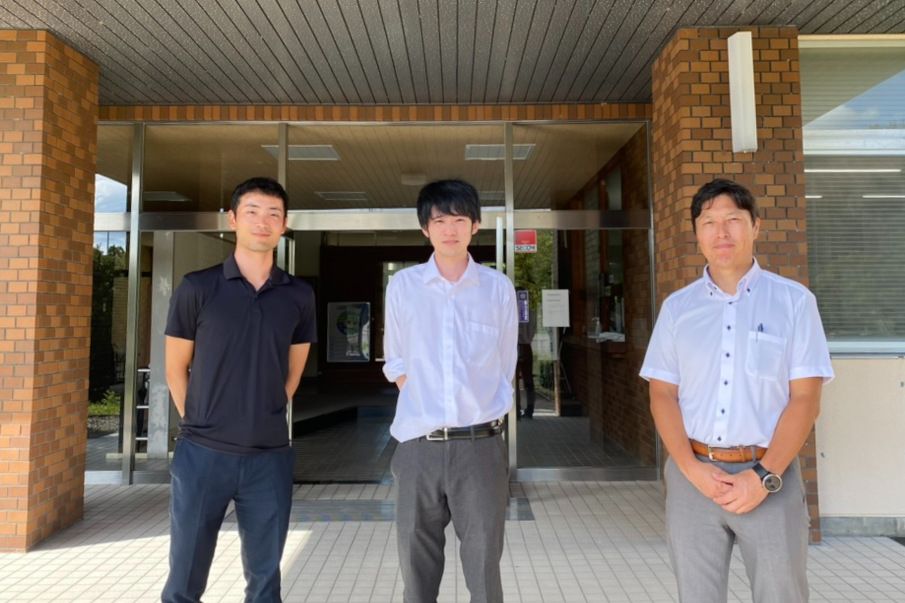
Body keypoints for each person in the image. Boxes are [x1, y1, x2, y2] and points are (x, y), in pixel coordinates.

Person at [640, 178, 833, 603]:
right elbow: (662, 394)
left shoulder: (794, 302)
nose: (721, 232)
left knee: (781, 594)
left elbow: (806, 399)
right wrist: (689, 468)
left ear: (756, 226)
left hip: (769, 474)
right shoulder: (677, 308)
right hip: (693, 475)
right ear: (696, 233)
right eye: (708, 222)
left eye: (732, 220)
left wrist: (763, 476)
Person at [161, 177, 316, 603]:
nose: (262, 222)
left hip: (269, 457)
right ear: (232, 219)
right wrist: (199, 423)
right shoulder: (197, 287)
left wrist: (265, 413)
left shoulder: (299, 295)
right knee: (184, 580)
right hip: (202, 455)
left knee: (265, 583)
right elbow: (175, 368)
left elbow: (293, 372)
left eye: (273, 214)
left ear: (284, 224)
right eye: (252, 212)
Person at [382, 179, 518, 603]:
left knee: (484, 567)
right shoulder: (403, 286)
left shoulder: (497, 288)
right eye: (439, 221)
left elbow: (505, 364)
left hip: (480, 447)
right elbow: (395, 360)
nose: (450, 230)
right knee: (416, 568)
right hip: (418, 447)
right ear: (425, 228)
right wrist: (422, 398)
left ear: (475, 225)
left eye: (459, 220)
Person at [515, 289, 536, 419]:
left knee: (515, 380)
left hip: (516, 346)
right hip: (527, 346)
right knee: (528, 379)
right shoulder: (530, 312)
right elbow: (533, 329)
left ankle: (516, 410)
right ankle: (530, 409)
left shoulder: (513, 310)